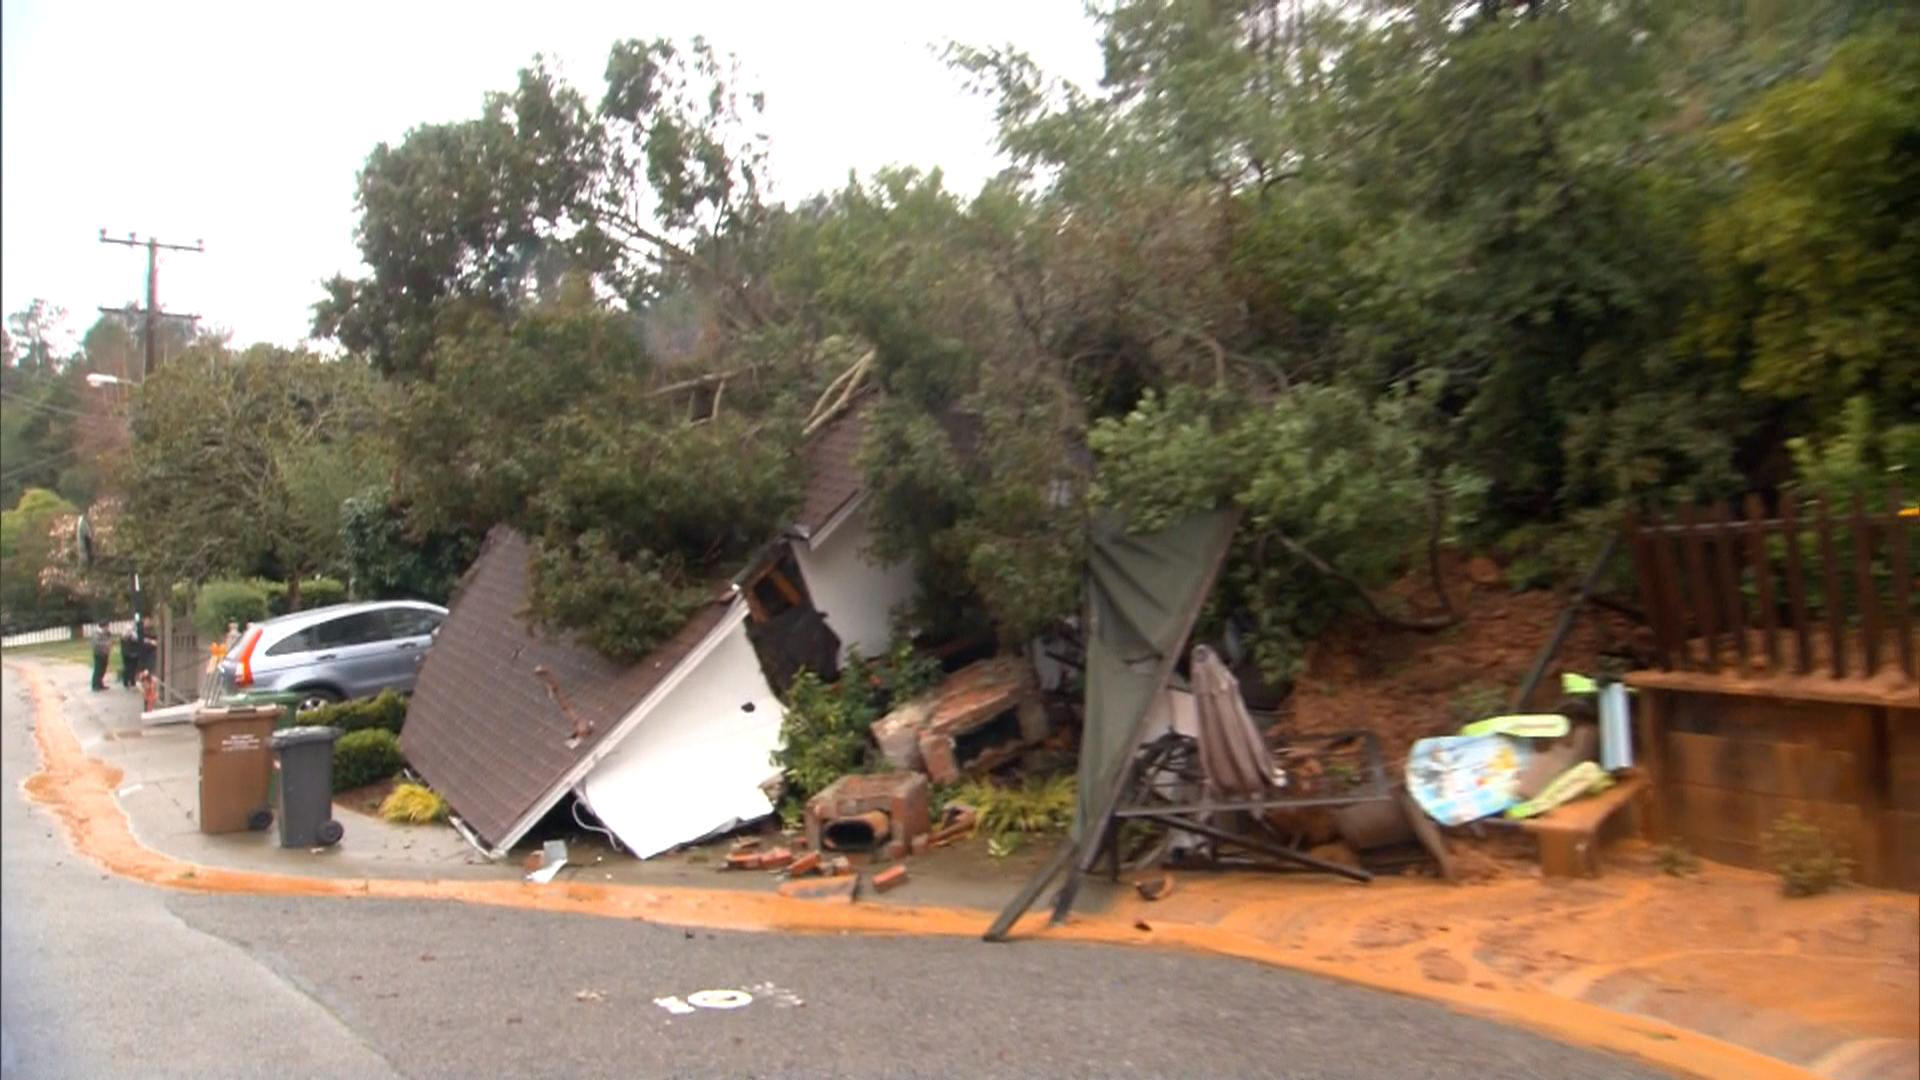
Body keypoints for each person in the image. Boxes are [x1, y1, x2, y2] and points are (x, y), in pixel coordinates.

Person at [89, 622, 114, 692]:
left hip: (105, 653)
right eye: (107, 627)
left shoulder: (107, 633)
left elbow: (109, 639)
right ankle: (95, 685)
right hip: (99, 653)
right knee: (98, 669)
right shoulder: (96, 634)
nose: (108, 628)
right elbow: (95, 644)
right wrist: (106, 644)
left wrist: (109, 644)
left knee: (103, 669)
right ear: (103, 626)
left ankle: (100, 683)